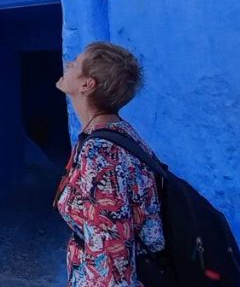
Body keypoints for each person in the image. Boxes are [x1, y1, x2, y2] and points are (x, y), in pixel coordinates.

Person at [54, 41, 164, 286]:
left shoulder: (101, 153)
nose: (68, 65)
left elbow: (111, 251)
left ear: (87, 84)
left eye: (75, 64)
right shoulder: (120, 132)